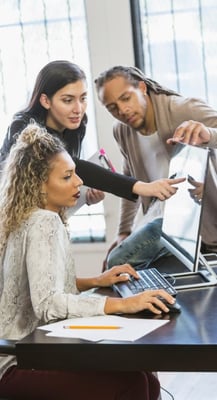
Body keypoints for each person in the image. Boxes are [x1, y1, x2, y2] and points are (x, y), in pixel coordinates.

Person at [0, 123, 177, 400]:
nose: (79, 182)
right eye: (67, 177)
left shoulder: (26, 216)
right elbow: (48, 304)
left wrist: (97, 281)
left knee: (142, 376)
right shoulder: (43, 222)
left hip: (27, 351)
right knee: (134, 382)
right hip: (14, 365)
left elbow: (42, 285)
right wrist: (124, 303)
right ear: (39, 184)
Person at [0, 60, 182, 214]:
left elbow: (62, 176)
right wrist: (141, 186)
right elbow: (66, 163)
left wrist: (84, 195)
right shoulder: (23, 128)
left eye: (83, 98)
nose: (78, 109)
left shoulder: (75, 126)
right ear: (45, 100)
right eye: (68, 100)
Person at [95, 65, 217, 270]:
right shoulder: (122, 131)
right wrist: (124, 232)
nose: (122, 110)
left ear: (142, 87)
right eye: (112, 107)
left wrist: (208, 134)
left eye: (126, 98)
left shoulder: (183, 109)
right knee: (116, 264)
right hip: (163, 220)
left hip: (198, 221)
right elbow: (130, 180)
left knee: (117, 262)